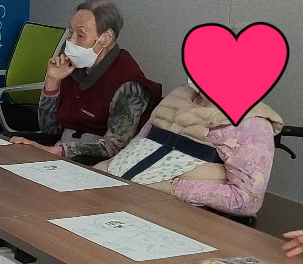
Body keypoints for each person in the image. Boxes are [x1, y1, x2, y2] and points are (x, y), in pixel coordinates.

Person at [96, 82, 284, 217]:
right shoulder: (178, 97)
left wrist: (174, 187)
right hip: (112, 188)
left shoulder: (251, 126)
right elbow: (137, 144)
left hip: (167, 212)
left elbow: (246, 200)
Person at [8, 0, 162, 163]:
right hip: (61, 148)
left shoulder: (127, 82)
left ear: (106, 38)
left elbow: (113, 146)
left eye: (80, 35)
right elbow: (49, 130)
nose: (71, 41)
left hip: (94, 162)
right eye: (70, 33)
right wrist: (52, 82)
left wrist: (59, 151)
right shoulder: (73, 66)